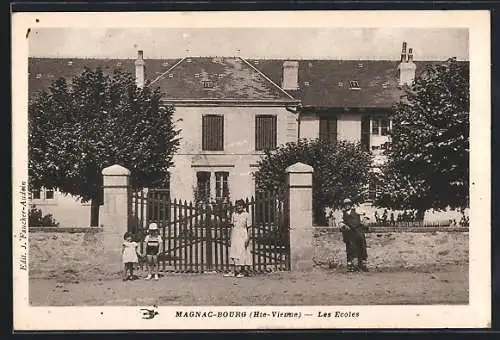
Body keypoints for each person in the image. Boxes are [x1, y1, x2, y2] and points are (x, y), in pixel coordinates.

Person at [339, 198, 369, 272]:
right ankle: (351, 265)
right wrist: (344, 226)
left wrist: (365, 221)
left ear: (350, 205)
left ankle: (362, 265)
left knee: (362, 247)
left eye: (348, 204)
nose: (347, 206)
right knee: (351, 248)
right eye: (345, 205)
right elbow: (340, 223)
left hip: (359, 232)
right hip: (349, 233)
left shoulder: (356, 211)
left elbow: (365, 216)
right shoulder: (342, 214)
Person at [225, 199, 252, 278]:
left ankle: (242, 271)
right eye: (237, 205)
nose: (239, 207)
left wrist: (248, 238)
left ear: (243, 206)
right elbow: (232, 226)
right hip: (235, 234)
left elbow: (249, 228)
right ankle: (233, 271)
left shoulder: (247, 215)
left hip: (243, 234)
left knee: (242, 252)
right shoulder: (234, 214)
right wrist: (230, 238)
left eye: (240, 205)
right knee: (234, 252)